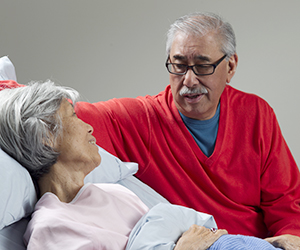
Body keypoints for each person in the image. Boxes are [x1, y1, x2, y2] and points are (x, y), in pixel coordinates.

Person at [75, 12, 300, 249]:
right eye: (179, 66)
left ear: (230, 66)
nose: (189, 80)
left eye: (203, 66)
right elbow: (61, 111)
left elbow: (287, 204)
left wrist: (291, 238)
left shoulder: (256, 113)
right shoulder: (141, 119)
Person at [0, 81, 282, 250]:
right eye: (73, 116)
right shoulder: (52, 227)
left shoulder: (113, 193)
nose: (88, 126)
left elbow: (183, 229)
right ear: (46, 137)